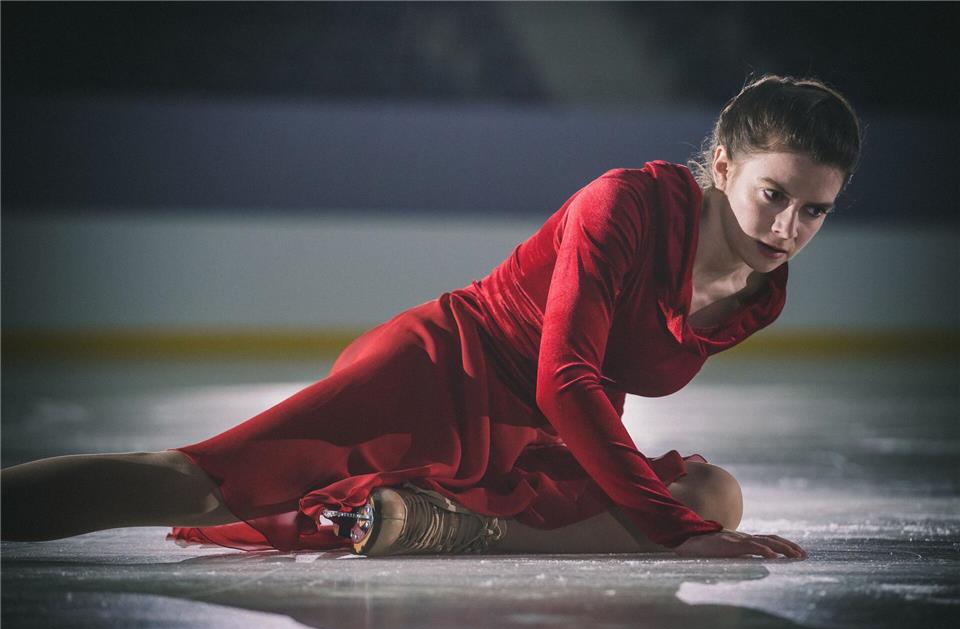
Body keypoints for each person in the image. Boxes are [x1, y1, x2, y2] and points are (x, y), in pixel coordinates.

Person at [1, 74, 861, 560]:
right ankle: (407, 511)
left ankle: (436, 521)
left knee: (716, 494)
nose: (787, 228)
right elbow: (566, 376)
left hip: (536, 428)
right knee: (196, 477)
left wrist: (684, 520)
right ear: (721, 164)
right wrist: (674, 536)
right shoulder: (625, 204)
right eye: (773, 194)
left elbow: (586, 392)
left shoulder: (761, 291)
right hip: (443, 370)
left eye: (815, 211)